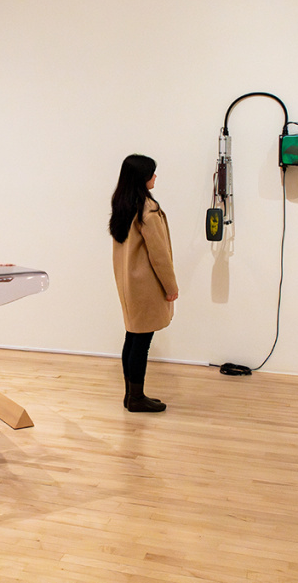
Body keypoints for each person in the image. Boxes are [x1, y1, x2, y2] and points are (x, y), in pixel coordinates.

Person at [109, 154, 178, 413]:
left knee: (132, 337)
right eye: (152, 173)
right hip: (147, 285)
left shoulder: (123, 205)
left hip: (129, 283)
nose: (155, 177)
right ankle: (136, 398)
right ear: (142, 177)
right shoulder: (147, 210)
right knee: (141, 342)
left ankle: (131, 395)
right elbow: (159, 256)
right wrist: (171, 288)